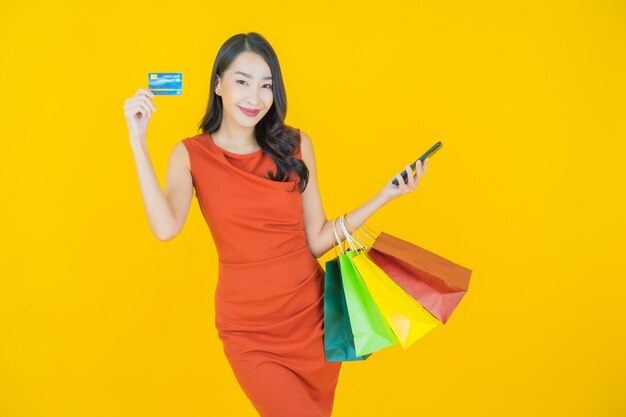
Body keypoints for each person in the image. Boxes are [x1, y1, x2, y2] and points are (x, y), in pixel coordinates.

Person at [123, 32, 428, 417]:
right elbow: (166, 228)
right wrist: (138, 141)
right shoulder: (190, 155)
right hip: (249, 332)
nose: (255, 97)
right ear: (218, 84)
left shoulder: (296, 145)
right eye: (242, 82)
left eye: (266, 85)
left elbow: (317, 240)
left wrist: (384, 196)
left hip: (311, 319)